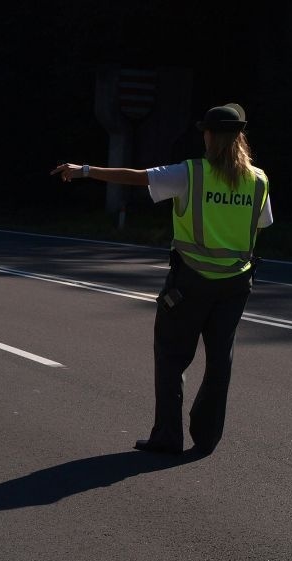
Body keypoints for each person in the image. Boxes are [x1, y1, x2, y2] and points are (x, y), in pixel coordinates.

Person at [50, 103, 272, 454]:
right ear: (240, 138)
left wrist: (85, 170)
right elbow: (261, 225)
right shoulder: (258, 180)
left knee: (171, 356)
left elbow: (137, 176)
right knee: (220, 360)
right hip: (235, 285)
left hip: (190, 282)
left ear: (209, 135)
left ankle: (168, 436)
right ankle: (207, 437)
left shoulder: (192, 173)